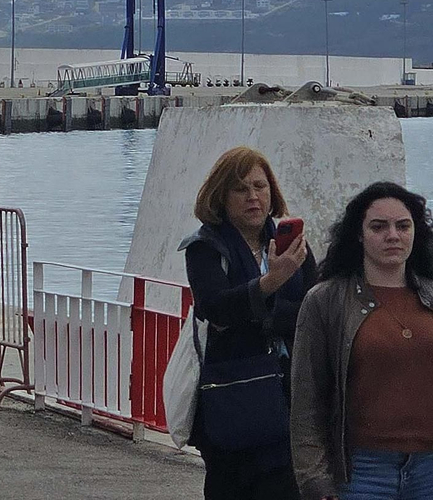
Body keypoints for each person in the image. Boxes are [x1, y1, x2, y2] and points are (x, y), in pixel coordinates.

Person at [180, 146, 315, 500]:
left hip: (287, 398)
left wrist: (265, 317)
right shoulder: (206, 248)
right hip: (233, 398)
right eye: (241, 189)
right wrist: (272, 281)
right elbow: (217, 309)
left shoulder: (293, 245)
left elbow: (314, 311)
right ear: (221, 197)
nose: (253, 197)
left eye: (260, 186)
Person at [292, 182, 433, 500]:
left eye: (403, 225)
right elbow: (306, 400)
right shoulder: (325, 300)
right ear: (359, 234)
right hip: (360, 473)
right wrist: (314, 480)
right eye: (379, 227)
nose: (393, 235)